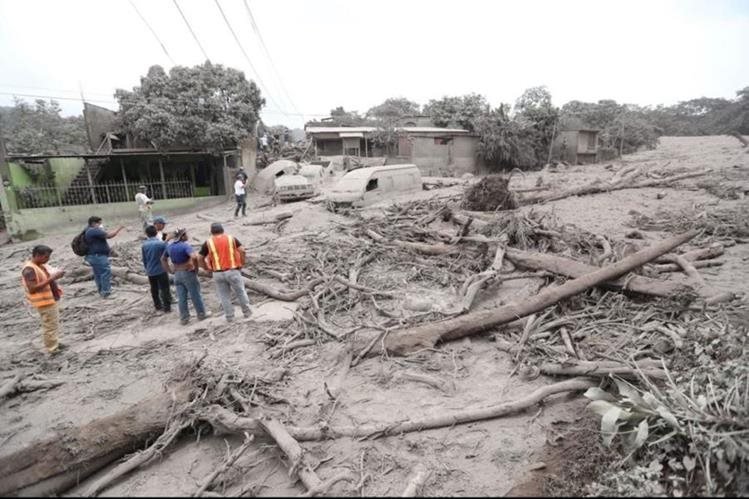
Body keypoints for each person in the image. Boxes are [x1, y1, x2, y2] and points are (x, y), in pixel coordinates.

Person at [199, 223, 252, 323]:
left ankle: (230, 317)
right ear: (222, 230)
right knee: (240, 292)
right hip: (232, 271)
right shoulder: (231, 239)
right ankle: (247, 312)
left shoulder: (208, 242)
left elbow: (199, 258)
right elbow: (242, 250)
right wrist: (242, 263)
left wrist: (206, 268)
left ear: (211, 232)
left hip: (218, 273)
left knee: (224, 296)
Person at [22, 245, 65, 355]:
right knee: (49, 325)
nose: (48, 259)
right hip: (43, 302)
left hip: (49, 300)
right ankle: (52, 348)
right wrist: (52, 278)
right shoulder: (29, 269)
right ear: (37, 255)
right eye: (46, 257)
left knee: (53, 324)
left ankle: (55, 342)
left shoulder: (39, 265)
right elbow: (32, 289)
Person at [161, 228, 210, 325]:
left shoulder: (170, 247)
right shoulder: (185, 246)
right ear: (182, 236)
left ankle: (184, 318)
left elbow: (163, 259)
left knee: (181, 297)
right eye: (186, 234)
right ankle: (201, 314)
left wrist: (169, 270)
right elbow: (194, 257)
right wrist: (195, 268)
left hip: (177, 274)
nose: (188, 236)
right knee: (195, 294)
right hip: (187, 272)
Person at [84, 216, 125, 298]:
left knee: (98, 274)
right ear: (93, 223)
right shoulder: (93, 231)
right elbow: (109, 235)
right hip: (98, 256)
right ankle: (106, 293)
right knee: (105, 273)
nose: (100, 225)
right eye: (99, 223)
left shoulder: (88, 230)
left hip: (93, 256)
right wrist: (119, 228)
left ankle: (101, 291)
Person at [141, 225, 172, 313]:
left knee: (154, 289)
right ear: (156, 233)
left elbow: (144, 259)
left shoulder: (144, 245)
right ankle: (167, 307)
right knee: (165, 288)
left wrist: (147, 269)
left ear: (146, 234)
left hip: (150, 270)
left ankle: (157, 305)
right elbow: (168, 254)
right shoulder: (161, 244)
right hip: (161, 269)